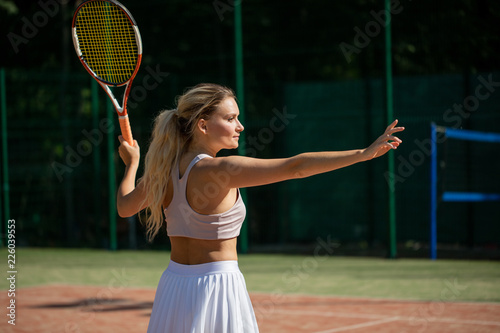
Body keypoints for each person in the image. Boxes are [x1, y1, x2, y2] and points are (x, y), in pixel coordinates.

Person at [116, 83, 404, 333]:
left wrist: (132, 165)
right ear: (203, 125)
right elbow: (296, 167)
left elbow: (125, 207)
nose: (240, 126)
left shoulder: (161, 172)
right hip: (218, 286)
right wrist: (362, 154)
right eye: (230, 118)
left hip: (173, 287)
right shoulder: (223, 169)